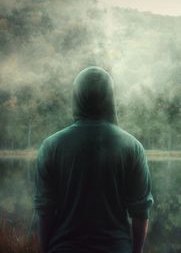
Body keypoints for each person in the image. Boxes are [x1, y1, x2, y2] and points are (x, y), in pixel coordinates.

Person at [34, 66, 154, 253]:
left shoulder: (51, 146)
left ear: (77, 97)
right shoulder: (132, 147)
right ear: (110, 99)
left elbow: (45, 211)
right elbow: (140, 213)